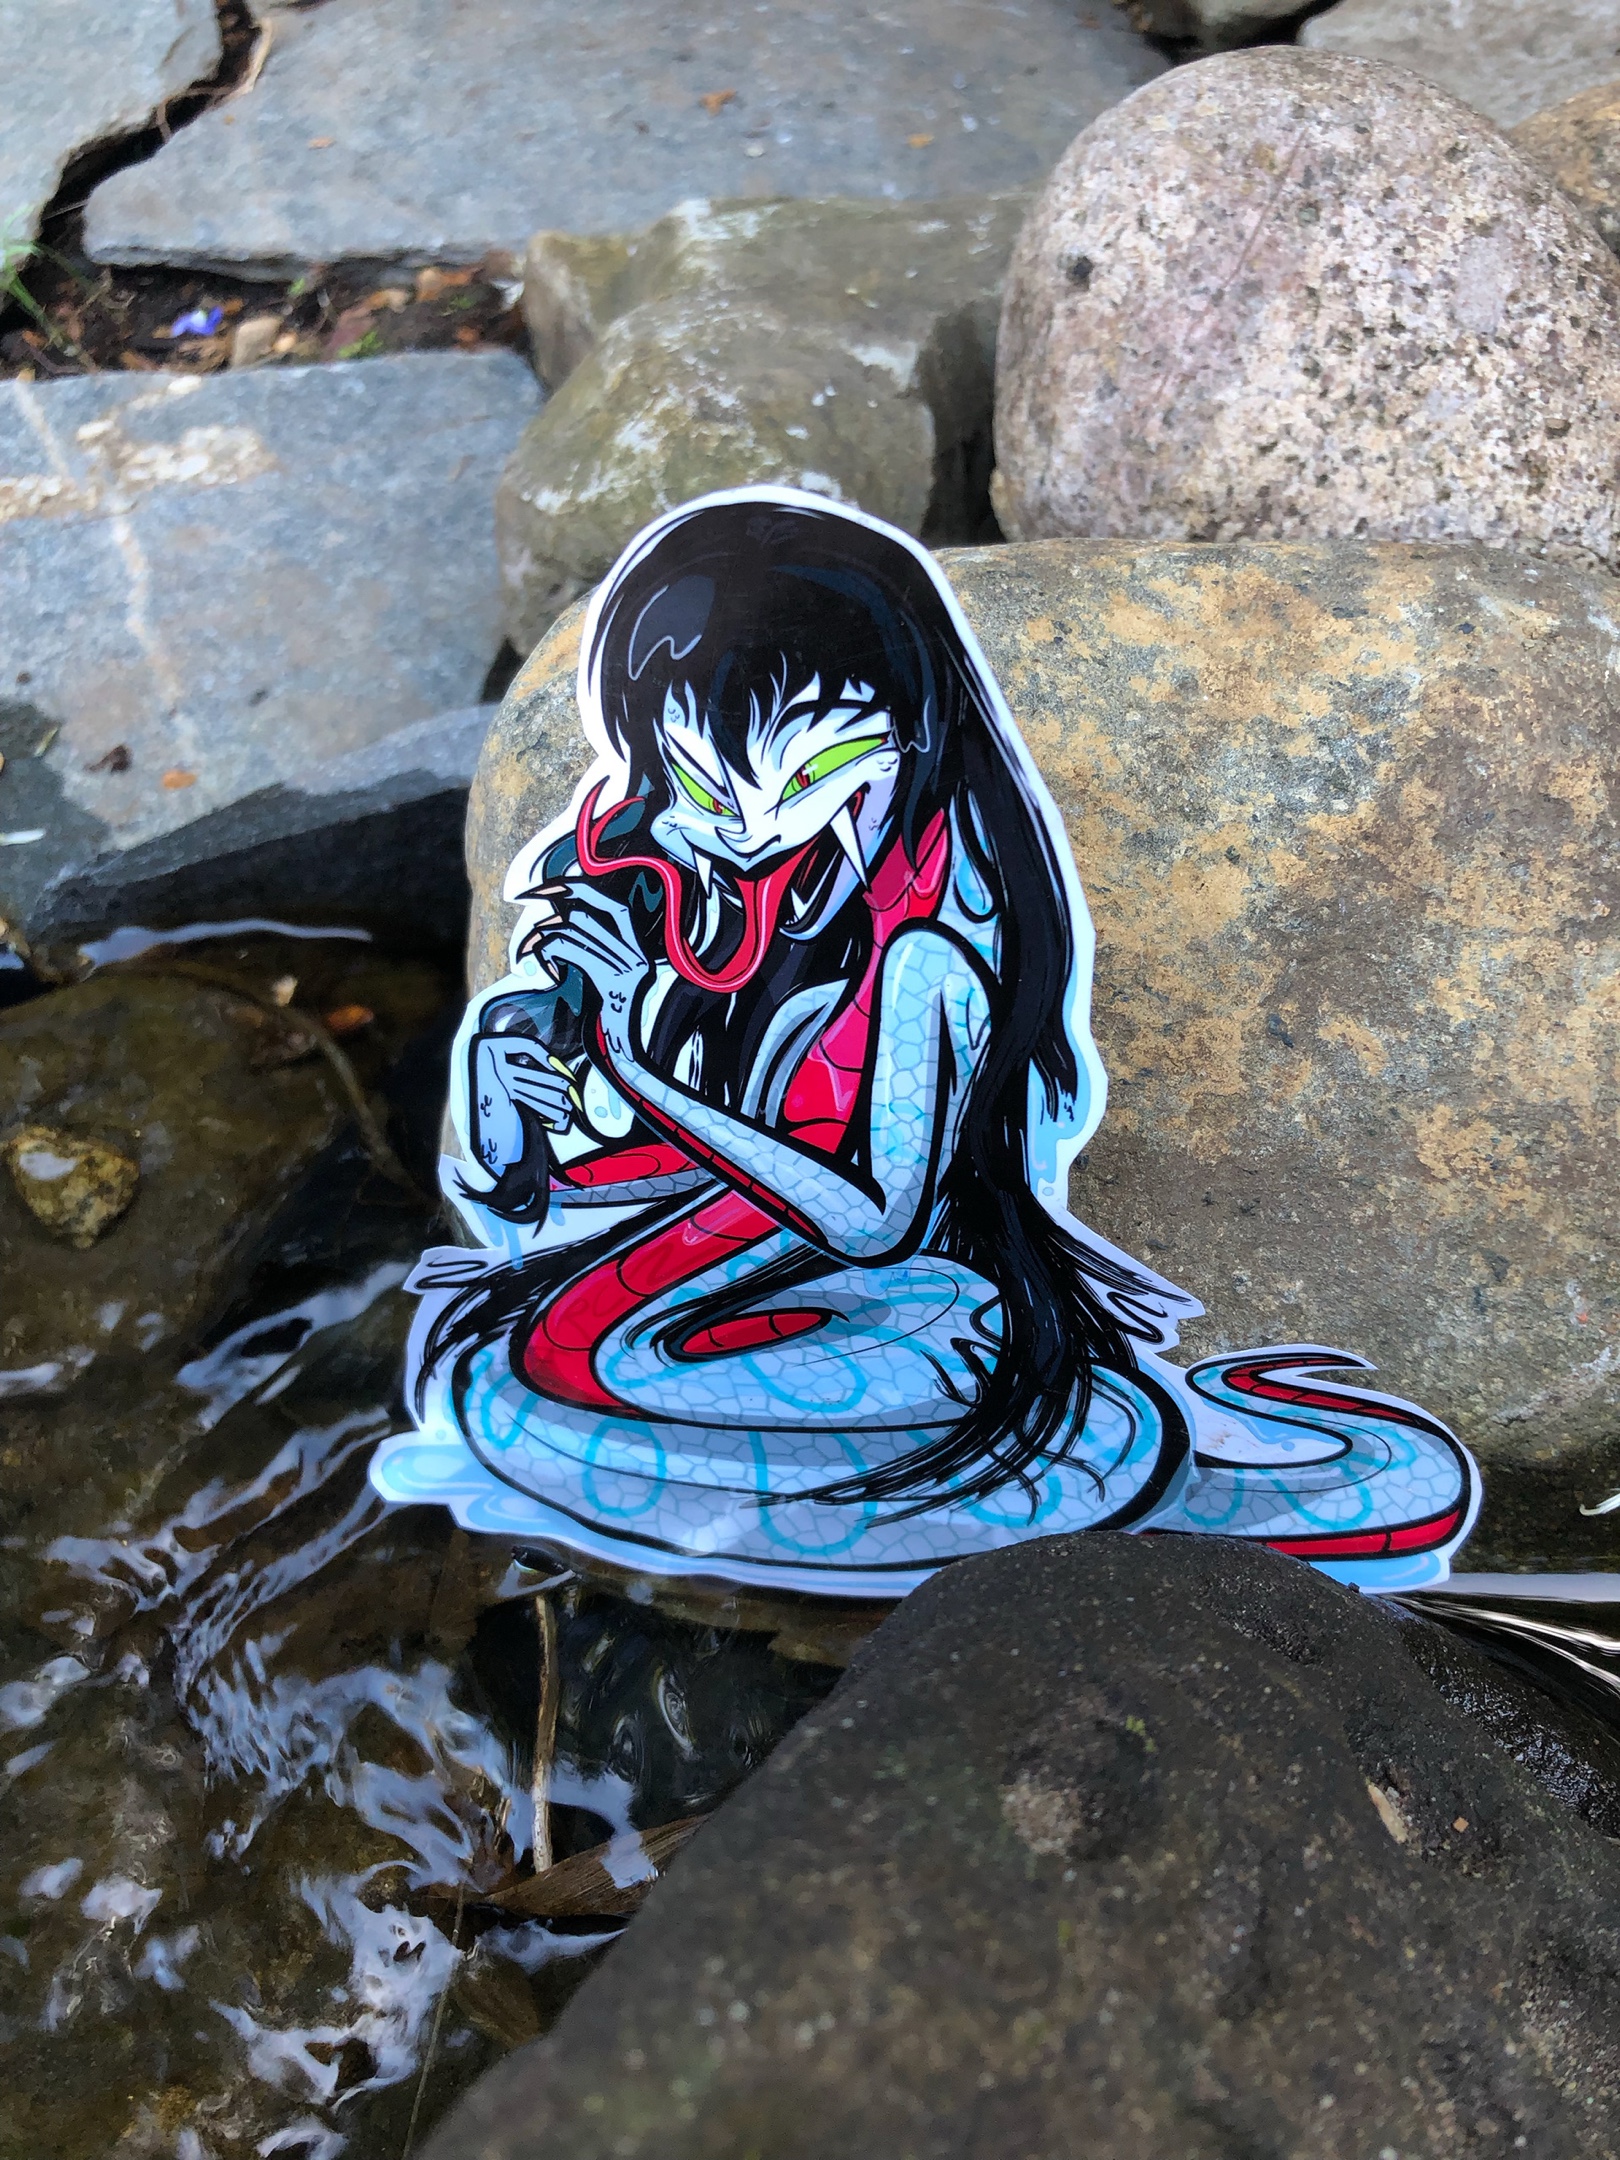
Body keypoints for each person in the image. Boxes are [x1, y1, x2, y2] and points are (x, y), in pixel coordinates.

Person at [372, 489, 1478, 1597]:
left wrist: (636, 1064)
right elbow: (609, 1181)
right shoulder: (707, 878)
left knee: (559, 1391)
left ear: (913, 738)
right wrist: (509, 1104)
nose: (754, 826)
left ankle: (1100, 1454)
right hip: (759, 1282)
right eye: (706, 785)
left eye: (812, 776)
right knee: (522, 1371)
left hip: (918, 1296)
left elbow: (878, 1219)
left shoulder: (930, 953)